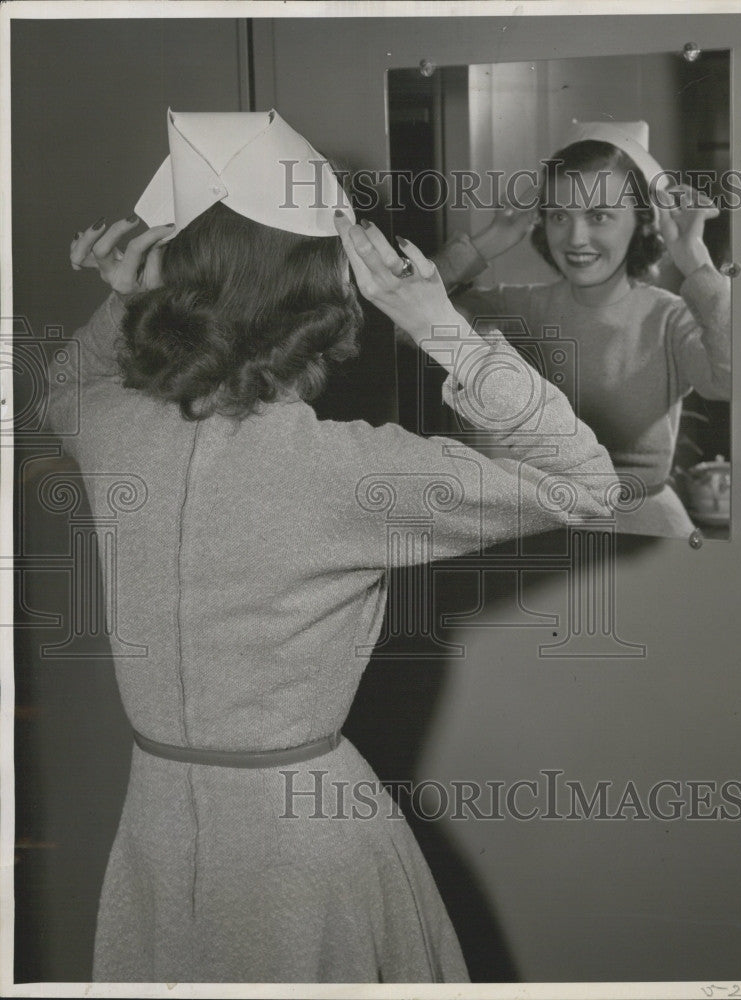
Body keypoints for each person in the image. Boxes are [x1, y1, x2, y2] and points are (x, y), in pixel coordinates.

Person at [50, 109, 616, 984]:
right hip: (304, 838)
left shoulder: (113, 429)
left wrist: (123, 298)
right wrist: (436, 323)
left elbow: (67, 384)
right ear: (327, 297)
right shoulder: (343, 469)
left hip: (157, 823)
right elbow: (585, 481)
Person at [434, 121, 732, 538]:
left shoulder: (669, 318)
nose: (576, 237)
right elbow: (405, 320)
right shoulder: (522, 308)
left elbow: (732, 380)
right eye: (559, 215)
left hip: (647, 535)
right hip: (542, 529)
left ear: (643, 221)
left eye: (599, 215)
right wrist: (486, 242)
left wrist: (696, 262)